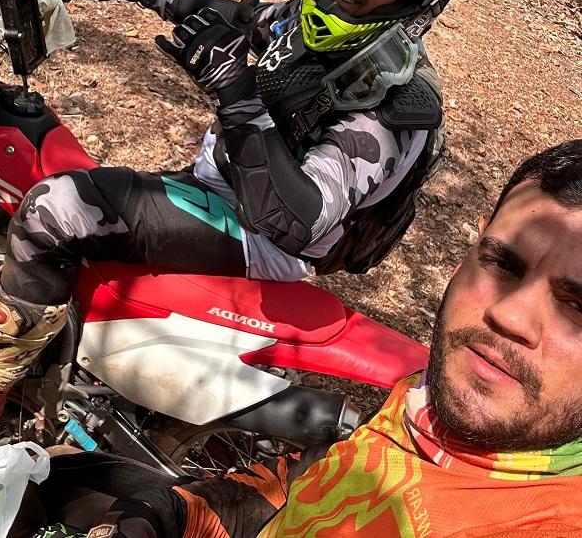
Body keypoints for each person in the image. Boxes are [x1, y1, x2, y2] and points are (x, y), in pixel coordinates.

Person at [0, 0, 480, 430]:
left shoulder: (391, 103)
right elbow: (239, 18)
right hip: (227, 188)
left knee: (57, 208)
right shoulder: (314, 25)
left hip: (265, 236)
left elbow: (300, 219)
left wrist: (237, 96)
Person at [32, 138, 578, 538]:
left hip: (267, 239)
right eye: (503, 263)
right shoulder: (436, 405)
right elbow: (325, 478)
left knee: (52, 213)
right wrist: (181, 511)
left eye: (578, 305)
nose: (509, 315)